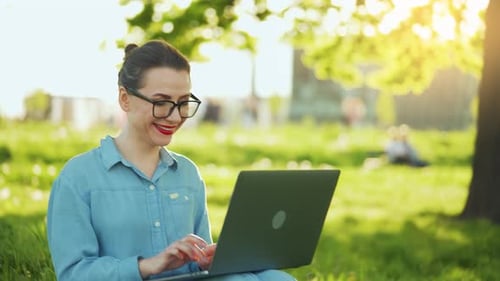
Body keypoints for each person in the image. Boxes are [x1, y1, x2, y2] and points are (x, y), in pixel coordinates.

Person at [46, 40, 296, 281]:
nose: (175, 117)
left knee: (276, 277)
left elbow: (199, 263)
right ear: (125, 98)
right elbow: (73, 274)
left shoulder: (187, 173)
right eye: (162, 102)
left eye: (183, 103)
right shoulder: (79, 177)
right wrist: (147, 265)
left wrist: (210, 257)